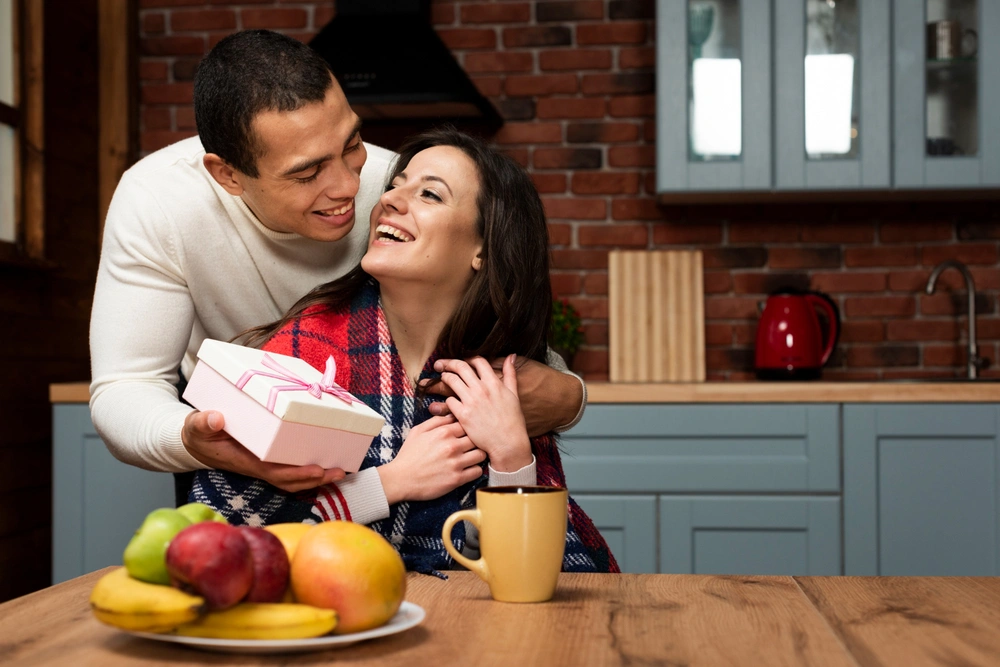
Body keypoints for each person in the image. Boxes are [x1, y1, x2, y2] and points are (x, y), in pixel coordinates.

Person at [88, 30, 586, 501]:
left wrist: (570, 399)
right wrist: (194, 441)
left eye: (352, 144)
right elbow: (126, 387)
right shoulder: (158, 202)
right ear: (229, 176)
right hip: (234, 438)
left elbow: (503, 320)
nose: (352, 187)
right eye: (307, 173)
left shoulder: (395, 185)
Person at [190, 128, 619, 574]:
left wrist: (512, 460)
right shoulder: (303, 354)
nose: (390, 200)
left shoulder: (502, 383)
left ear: (483, 248)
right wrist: (388, 484)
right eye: (396, 185)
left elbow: (529, 573)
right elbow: (226, 550)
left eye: (430, 194)